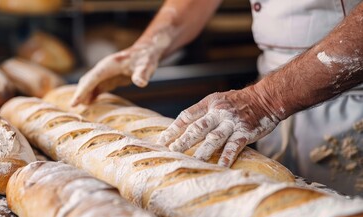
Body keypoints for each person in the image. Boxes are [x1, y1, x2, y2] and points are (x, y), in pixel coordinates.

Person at [71, 0, 363, 195]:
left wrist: (266, 99)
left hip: (350, 103)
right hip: (270, 109)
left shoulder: (264, 102)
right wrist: (148, 45)